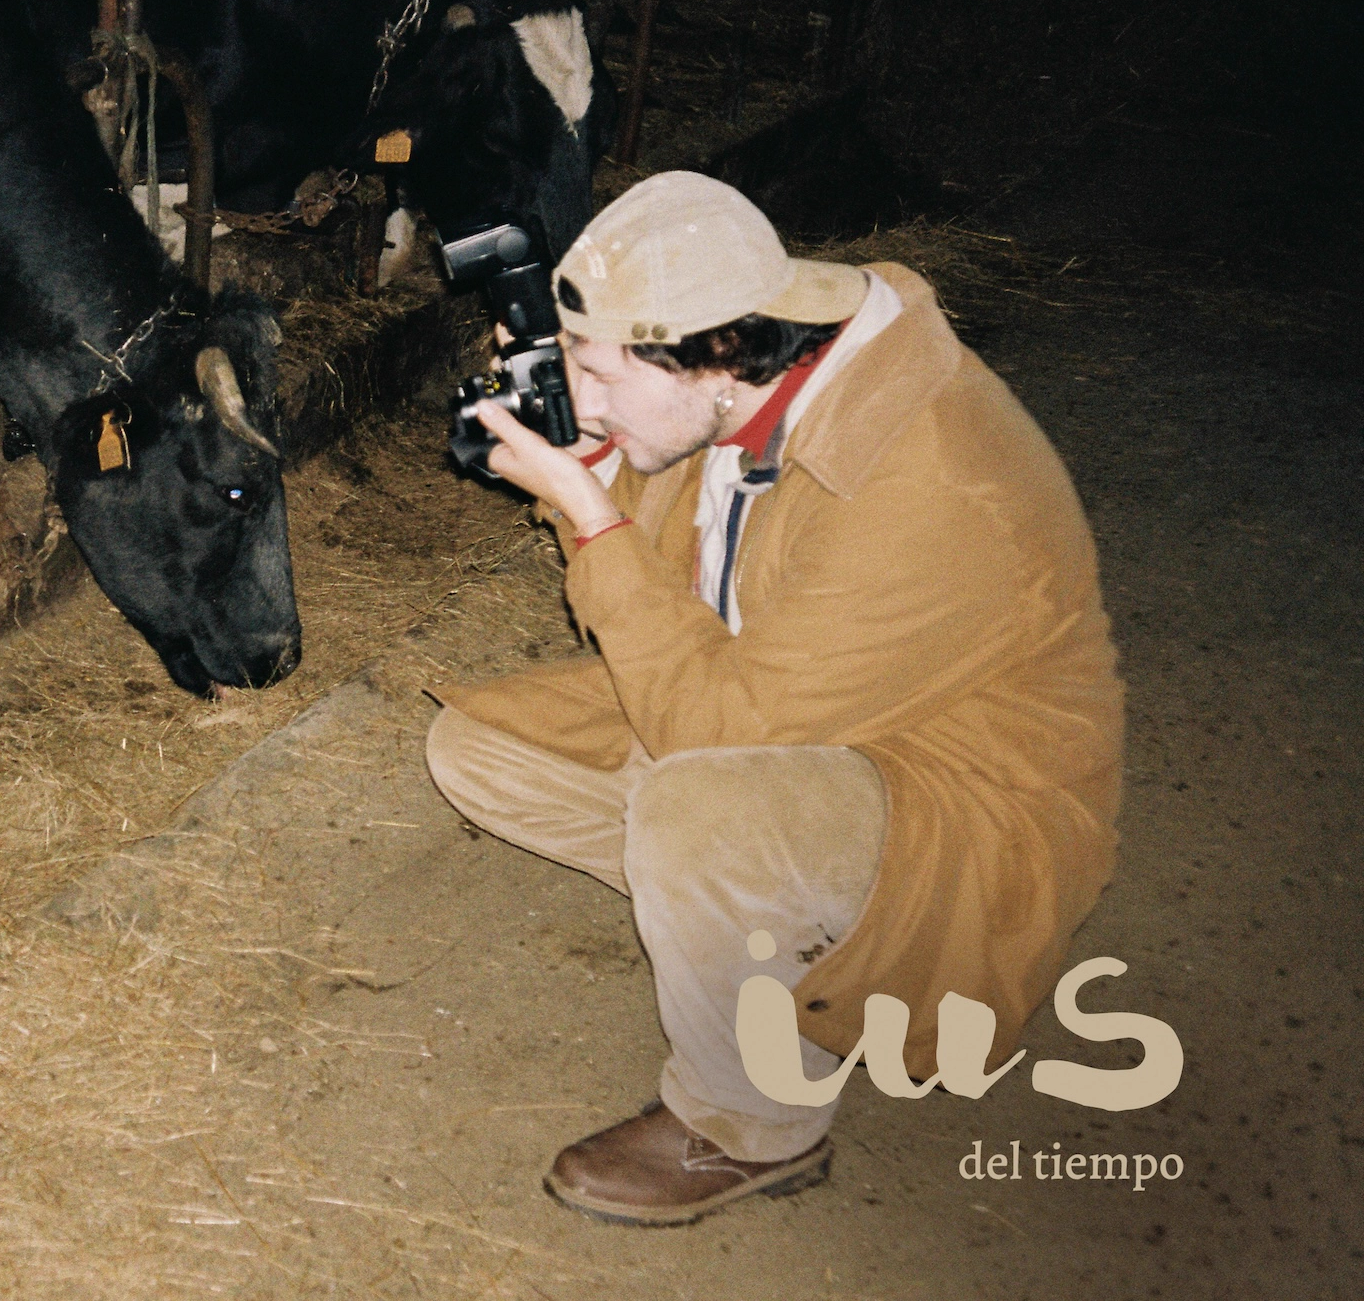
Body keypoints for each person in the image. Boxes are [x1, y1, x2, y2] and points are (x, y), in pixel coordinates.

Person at [427, 172, 1123, 1226]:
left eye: (598, 372)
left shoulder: (925, 477)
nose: (586, 396)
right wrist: (599, 464)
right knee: (476, 751)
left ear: (712, 353)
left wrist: (585, 511)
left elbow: (716, 733)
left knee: (694, 811)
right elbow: (689, 597)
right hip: (795, 706)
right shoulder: (756, 380)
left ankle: (756, 1124)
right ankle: (745, 926)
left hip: (960, 804)